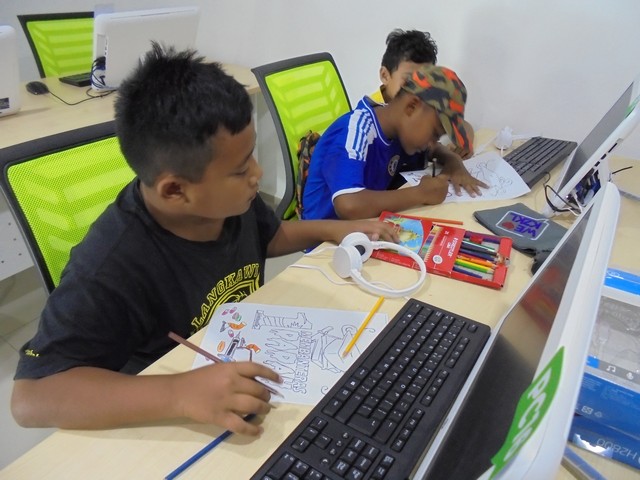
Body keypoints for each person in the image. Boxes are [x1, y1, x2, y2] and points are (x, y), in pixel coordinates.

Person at [11, 44, 397, 436]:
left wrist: (331, 229)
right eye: (241, 169)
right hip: (172, 404)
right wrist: (179, 393)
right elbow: (31, 397)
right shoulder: (109, 267)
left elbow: (268, 237)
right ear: (175, 190)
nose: (258, 174)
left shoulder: (229, 200)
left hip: (240, 356)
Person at [301, 64, 488, 221]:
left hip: (366, 227)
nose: (432, 142)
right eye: (434, 133)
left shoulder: (399, 130)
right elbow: (348, 205)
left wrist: (454, 162)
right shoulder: (356, 131)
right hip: (325, 243)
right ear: (412, 107)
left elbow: (434, 150)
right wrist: (420, 194)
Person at [372, 28, 475, 159]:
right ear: (385, 75)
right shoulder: (374, 117)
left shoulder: (424, 104)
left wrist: (463, 141)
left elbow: (463, 126)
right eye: (409, 79)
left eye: (424, 82)